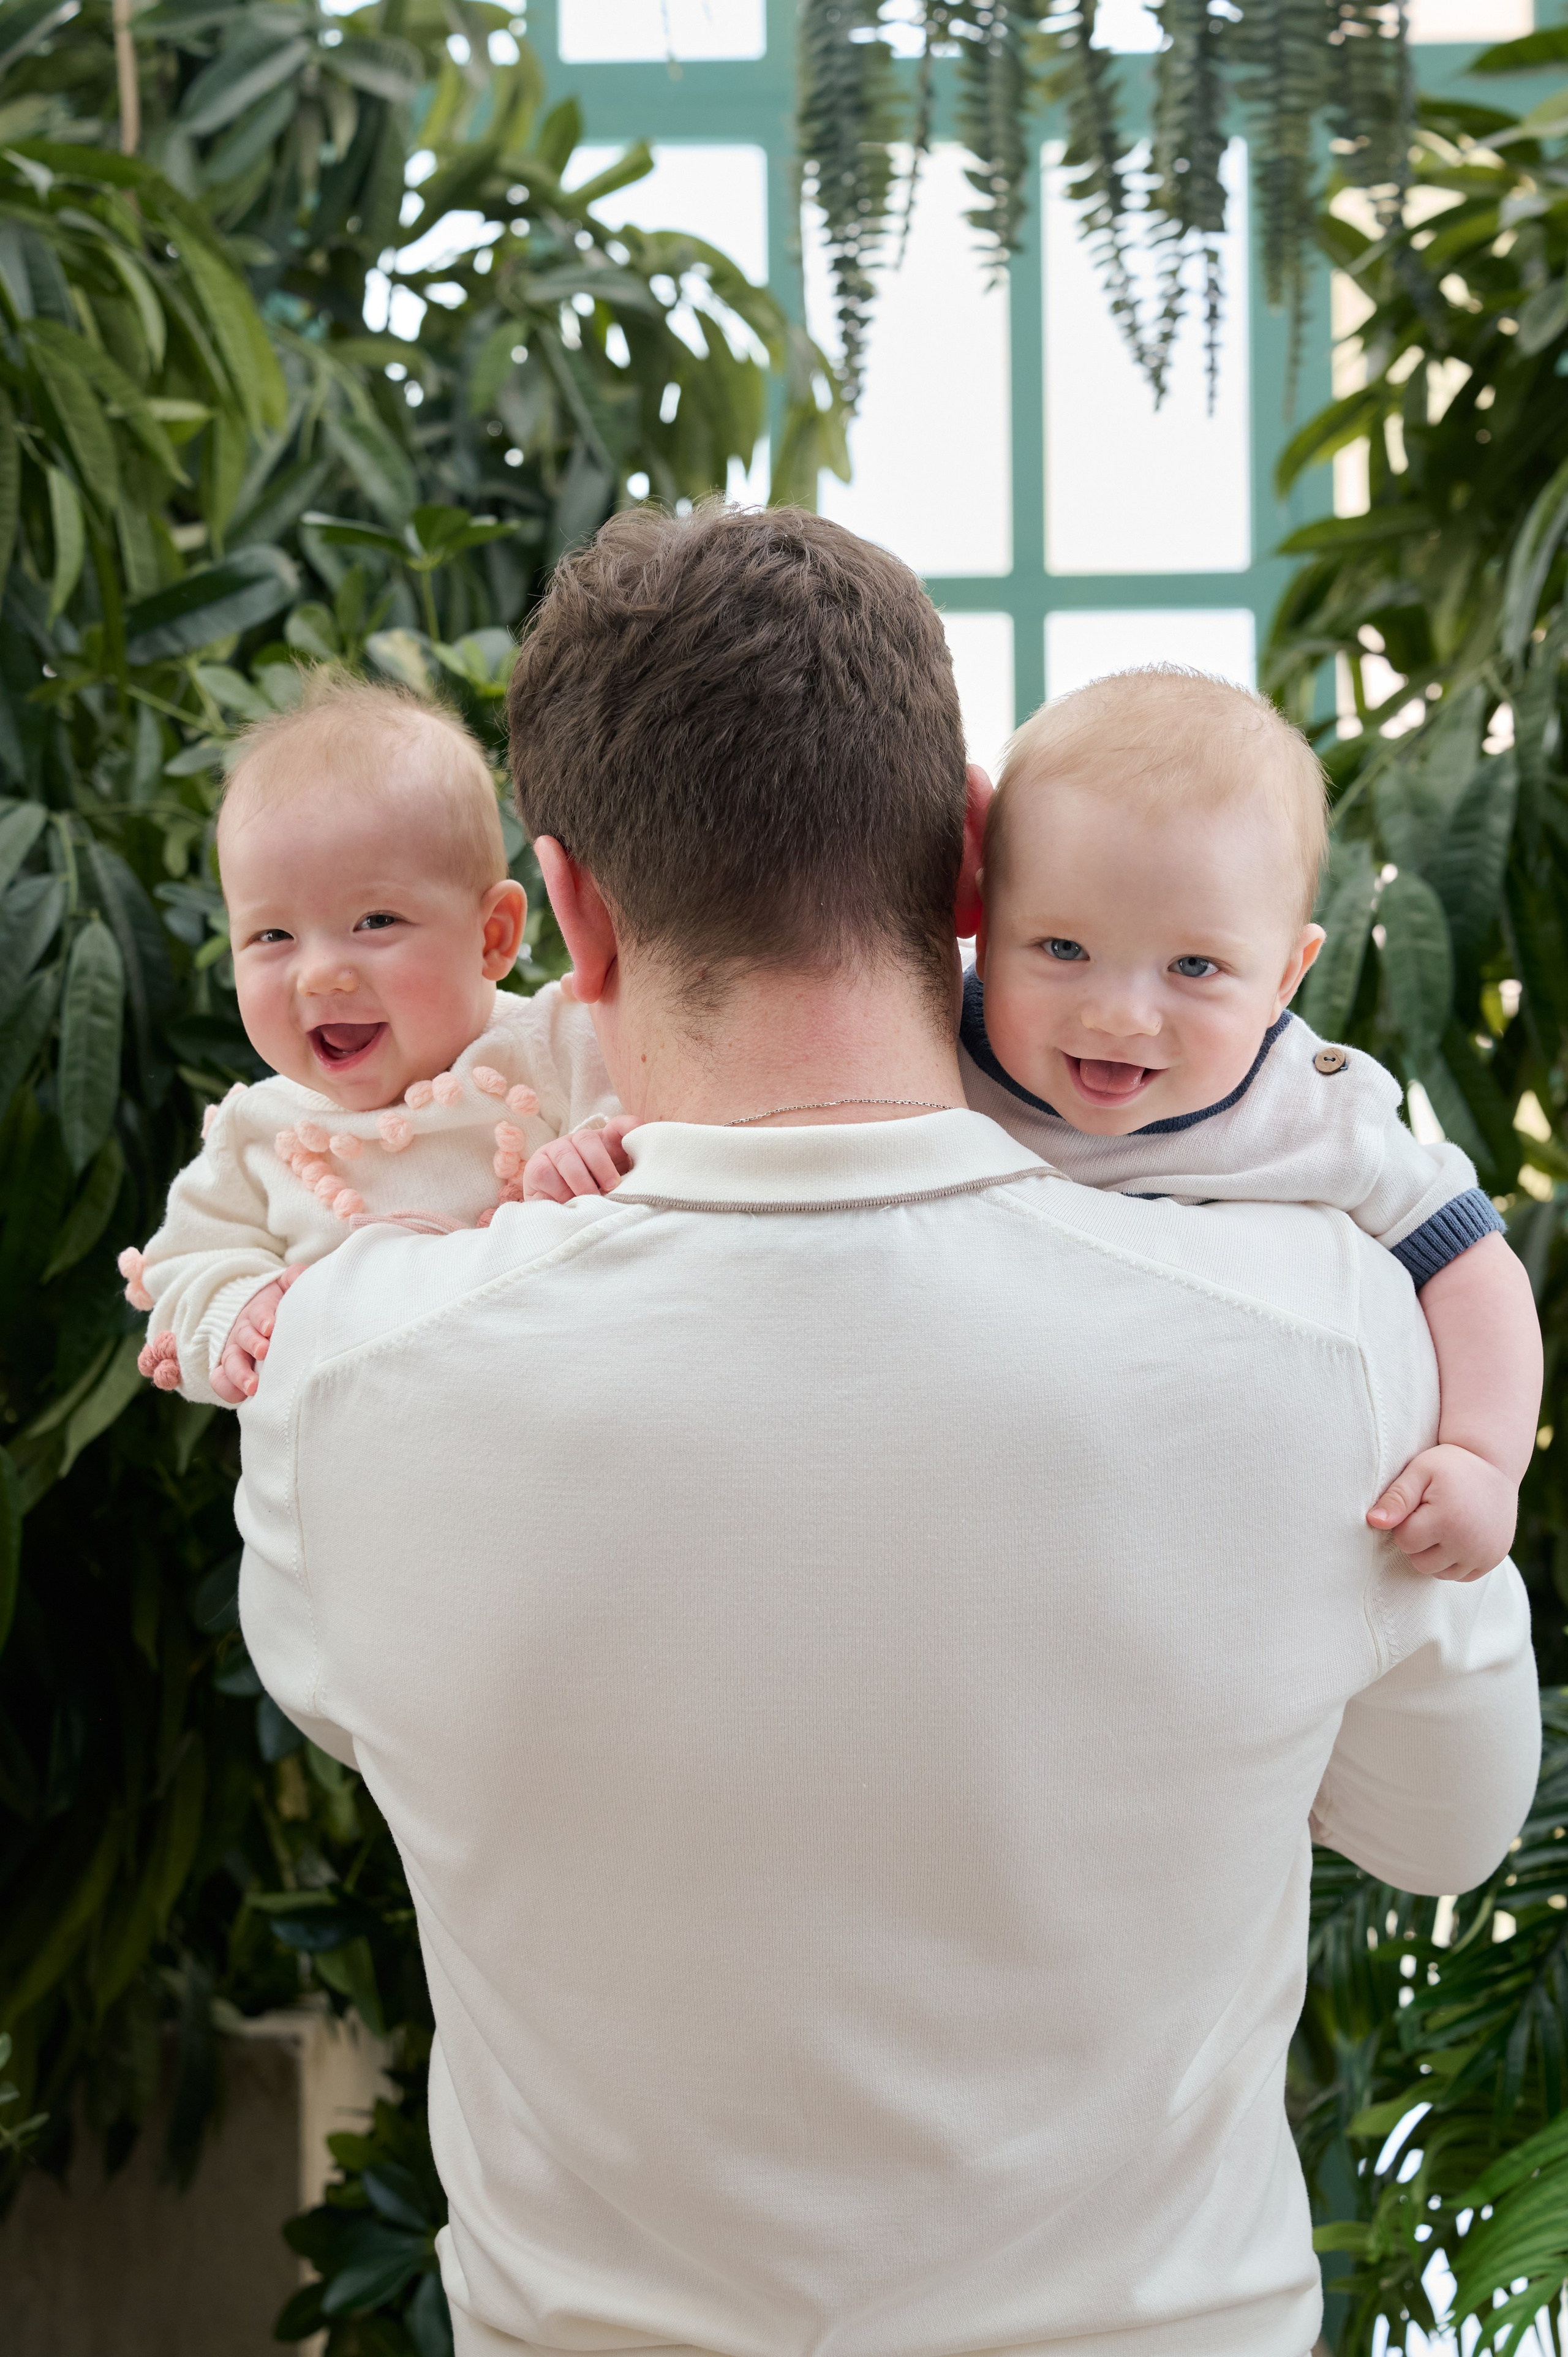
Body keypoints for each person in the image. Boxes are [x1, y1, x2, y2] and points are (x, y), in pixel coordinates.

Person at [238, 505, 1540, 2357]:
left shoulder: (342, 1366)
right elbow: (1445, 1823)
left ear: (570, 909)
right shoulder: (1326, 1329)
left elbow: (359, 1709)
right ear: (968, 859)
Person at [526, 665, 1541, 1586]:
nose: (1121, 1015)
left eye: (1194, 967)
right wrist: (613, 1144)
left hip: (1176, 1500)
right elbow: (766, 1129)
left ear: (1286, 974)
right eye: (1061, 948)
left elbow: (1468, 1257)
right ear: (982, 907)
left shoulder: (1309, 1112)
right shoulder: (929, 1044)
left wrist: (1486, 1456)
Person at [118, 673, 618, 1405]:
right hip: (362, 1454)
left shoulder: (558, 1044)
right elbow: (182, 1272)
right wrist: (237, 1313)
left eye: (375, 921)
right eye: (272, 934)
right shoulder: (258, 1134)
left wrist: (595, 1159)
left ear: (492, 934)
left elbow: (673, 1149)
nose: (320, 973)